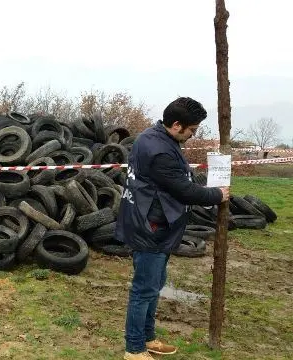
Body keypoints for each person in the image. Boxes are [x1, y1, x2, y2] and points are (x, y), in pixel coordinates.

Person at [115, 97, 230, 360]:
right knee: (144, 289)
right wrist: (216, 194)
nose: (192, 135)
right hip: (150, 227)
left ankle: (148, 338)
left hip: (154, 223)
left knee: (154, 285)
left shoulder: (154, 136)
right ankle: (134, 349)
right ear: (177, 125)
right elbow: (184, 190)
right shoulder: (159, 151)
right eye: (192, 130)